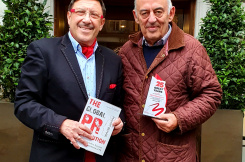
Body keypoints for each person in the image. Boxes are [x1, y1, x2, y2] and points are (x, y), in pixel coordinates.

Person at [14, 0, 124, 162]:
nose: (87, 19)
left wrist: (119, 122)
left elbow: (119, 105)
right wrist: (61, 124)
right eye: (80, 12)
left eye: (94, 15)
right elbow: (24, 103)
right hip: (56, 155)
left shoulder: (113, 60)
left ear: (101, 23)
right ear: (69, 16)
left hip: (100, 156)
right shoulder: (43, 51)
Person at [118, 0, 222, 161]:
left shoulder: (192, 49)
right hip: (131, 154)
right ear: (136, 17)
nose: (151, 19)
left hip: (172, 156)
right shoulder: (126, 51)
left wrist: (179, 118)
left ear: (171, 13)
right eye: (144, 13)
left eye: (158, 12)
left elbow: (211, 94)